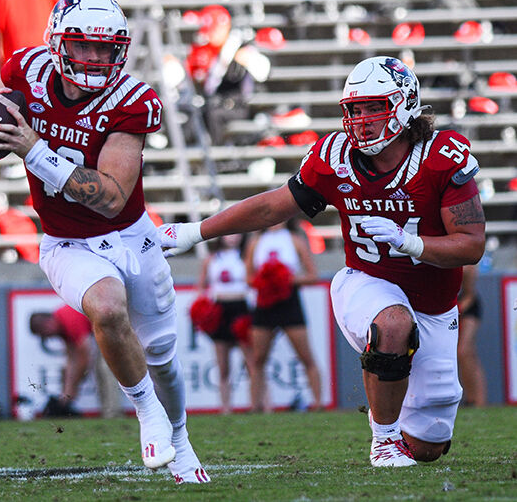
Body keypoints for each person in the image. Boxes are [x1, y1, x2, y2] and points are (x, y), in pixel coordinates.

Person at [159, 56, 485, 467]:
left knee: (427, 448)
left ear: (404, 106)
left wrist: (411, 242)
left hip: (436, 304)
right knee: (393, 323)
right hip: (365, 280)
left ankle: (394, 414)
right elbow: (271, 208)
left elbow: (471, 245)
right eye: (355, 109)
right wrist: (194, 231)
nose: (361, 120)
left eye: (373, 107)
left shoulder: (440, 157)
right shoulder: (335, 156)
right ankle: (382, 441)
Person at [0, 0, 209, 484]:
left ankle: (180, 437)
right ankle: (147, 413)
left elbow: (112, 195)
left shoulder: (132, 100)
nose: (95, 56)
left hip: (129, 235)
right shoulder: (28, 70)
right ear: (58, 43)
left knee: (162, 357)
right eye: (83, 45)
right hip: (66, 242)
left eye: (105, 46)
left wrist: (34, 152)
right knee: (107, 307)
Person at [244, 221, 322, 413]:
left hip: (289, 300)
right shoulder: (255, 241)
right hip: (265, 300)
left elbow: (312, 275)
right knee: (258, 358)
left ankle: (319, 404)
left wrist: (285, 280)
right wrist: (266, 282)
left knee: (306, 356)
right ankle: (255, 406)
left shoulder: (295, 240)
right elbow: (248, 277)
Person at [195, 233, 255, 414]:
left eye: (237, 233)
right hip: (220, 308)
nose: (232, 237)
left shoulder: (246, 256)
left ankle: (259, 404)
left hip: (242, 307)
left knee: (252, 362)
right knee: (222, 364)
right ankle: (226, 407)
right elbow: (202, 287)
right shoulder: (211, 259)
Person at [29, 304, 123, 418]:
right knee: (100, 369)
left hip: (116, 326)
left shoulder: (69, 319)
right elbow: (71, 360)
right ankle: (108, 413)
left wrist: (71, 390)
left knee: (105, 368)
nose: (48, 337)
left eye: (44, 334)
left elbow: (84, 357)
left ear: (47, 324)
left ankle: (113, 413)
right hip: (107, 329)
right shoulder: (62, 325)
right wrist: (67, 394)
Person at [457, 263, 486, 407]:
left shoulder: (467, 266)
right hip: (448, 307)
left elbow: (470, 295)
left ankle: (476, 400)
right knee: (465, 354)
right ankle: (470, 398)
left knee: (465, 351)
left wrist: (457, 311)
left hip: (466, 307)